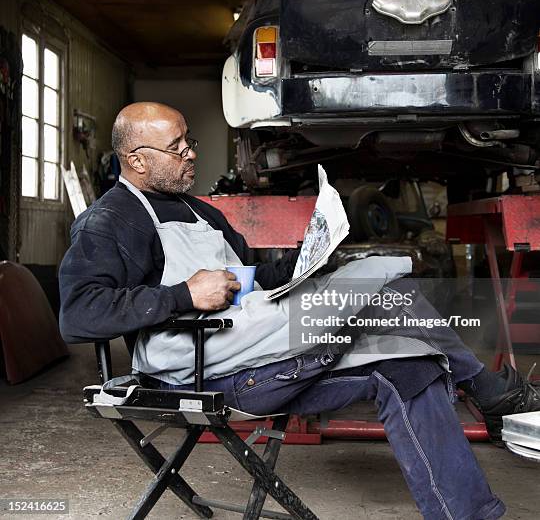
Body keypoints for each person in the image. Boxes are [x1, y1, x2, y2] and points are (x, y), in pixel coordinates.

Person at [59, 102, 538, 519]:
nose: (191, 152)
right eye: (177, 145)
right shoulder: (109, 221)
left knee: (411, 363)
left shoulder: (202, 212)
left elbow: (252, 282)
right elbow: (79, 313)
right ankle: (487, 390)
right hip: (207, 373)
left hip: (251, 341)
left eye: (190, 140)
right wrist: (184, 295)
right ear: (137, 160)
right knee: (384, 280)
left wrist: (309, 259)